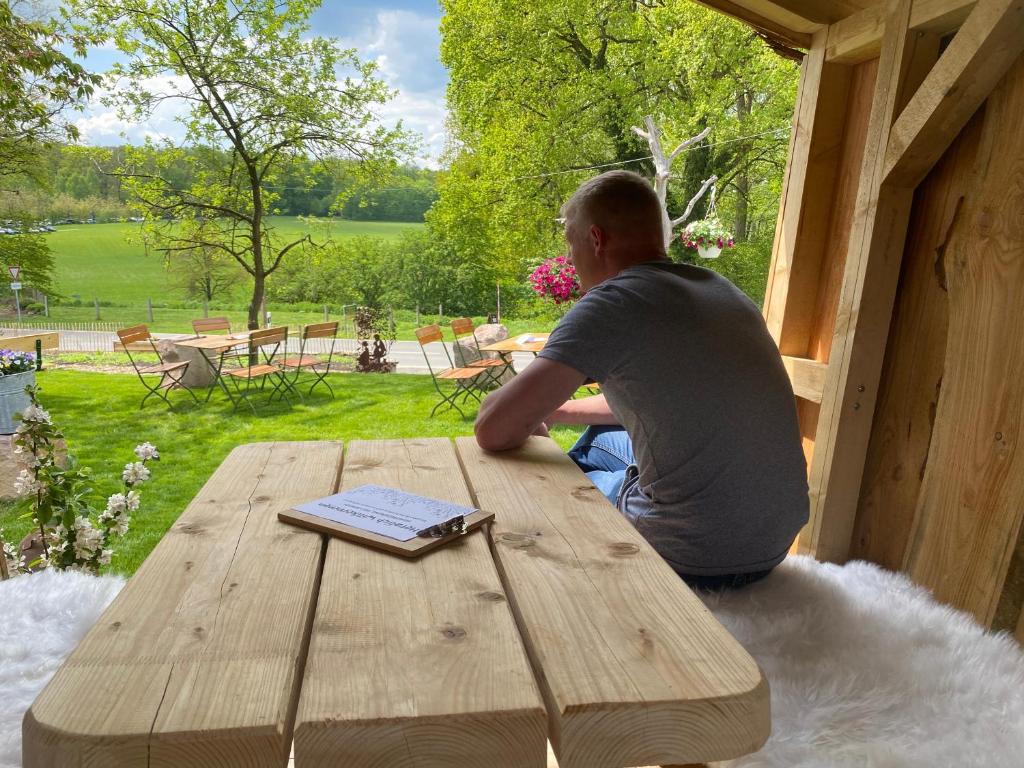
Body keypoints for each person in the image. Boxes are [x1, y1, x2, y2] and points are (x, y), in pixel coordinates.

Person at [474, 170, 808, 589]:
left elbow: (491, 430)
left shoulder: (613, 301)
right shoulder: (720, 290)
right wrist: (555, 409)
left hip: (693, 552)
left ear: (596, 240)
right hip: (770, 540)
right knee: (598, 438)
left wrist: (522, 416)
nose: (572, 260)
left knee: (544, 482)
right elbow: (659, 402)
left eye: (571, 244)